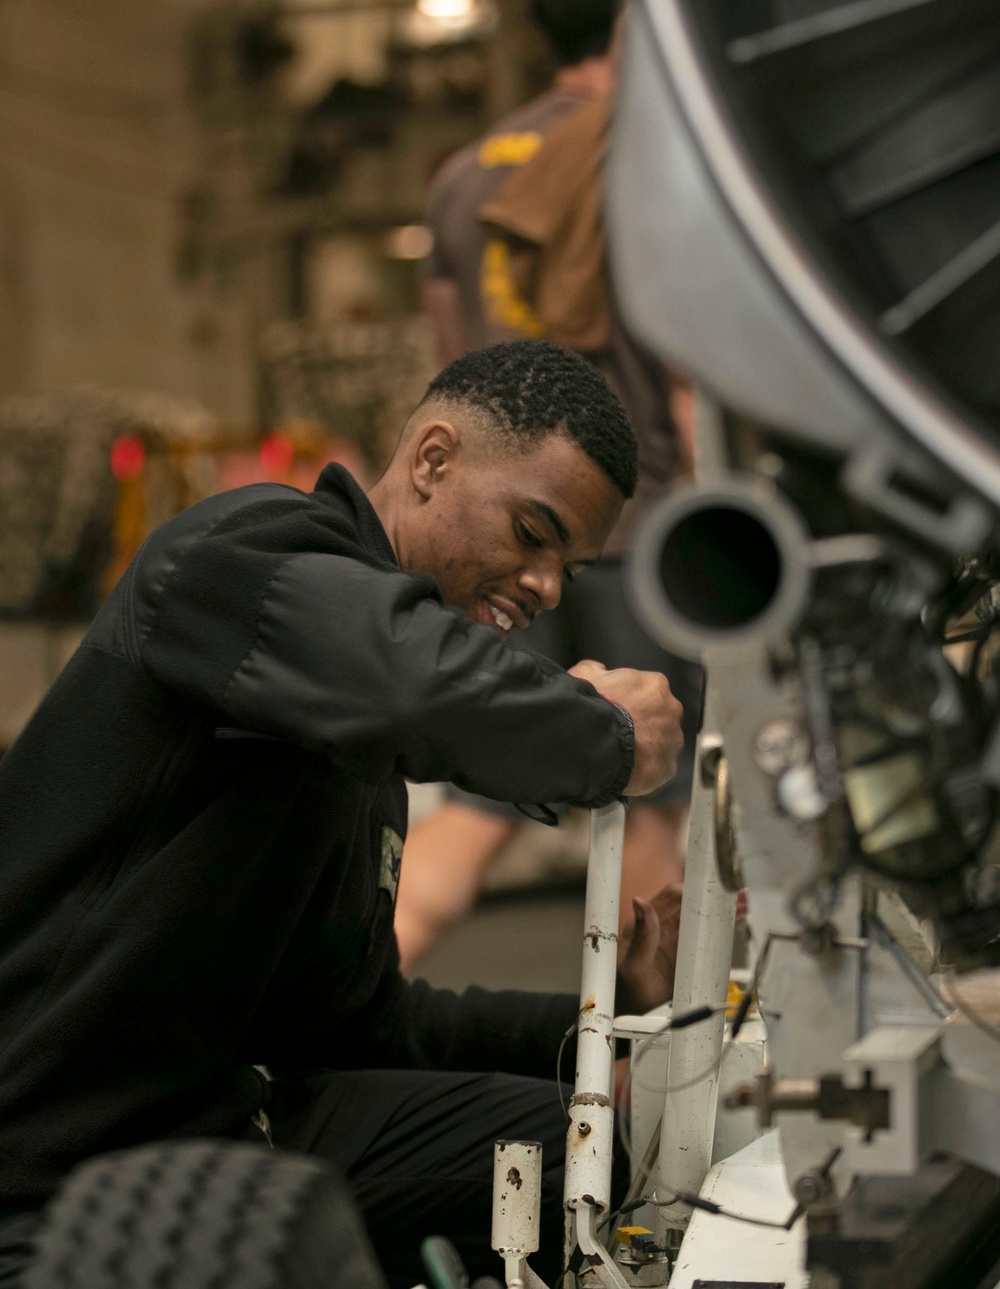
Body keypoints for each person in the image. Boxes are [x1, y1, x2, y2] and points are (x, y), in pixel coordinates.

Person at [0, 341, 683, 1288]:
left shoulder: (360, 752)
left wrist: (610, 1021)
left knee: (613, 1146)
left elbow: (362, 1030)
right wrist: (606, 734)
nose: (549, 587)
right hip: (61, 1175)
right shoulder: (243, 557)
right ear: (433, 460)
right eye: (533, 533)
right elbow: (418, 689)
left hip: (237, 1124)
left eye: (571, 563)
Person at [398, 0, 700, 968]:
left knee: (480, 811)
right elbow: (689, 371)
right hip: (637, 529)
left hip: (496, 542)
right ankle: (626, 1092)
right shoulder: (640, 152)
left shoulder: (459, 179)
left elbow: (456, 377)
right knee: (648, 808)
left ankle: (334, 1001)